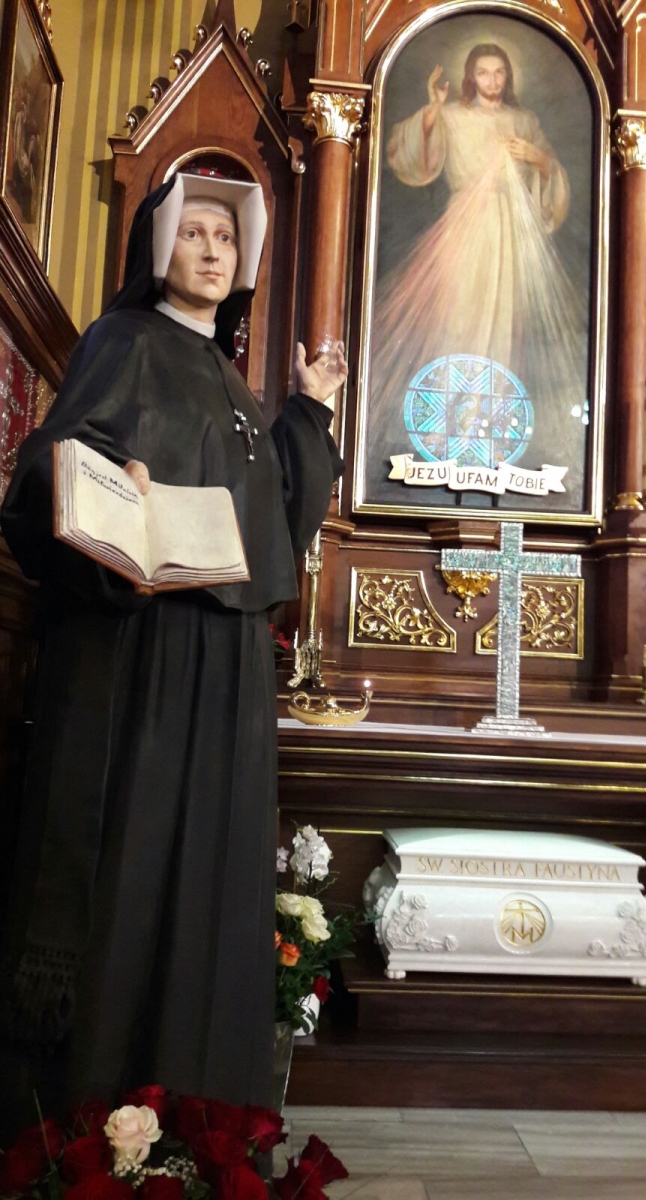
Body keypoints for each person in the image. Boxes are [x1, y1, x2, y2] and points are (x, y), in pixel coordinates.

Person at [0, 170, 345, 1126]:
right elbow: (46, 468)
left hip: (226, 668)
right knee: (137, 866)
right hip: (145, 655)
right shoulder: (123, 342)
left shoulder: (231, 382)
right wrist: (116, 499)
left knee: (208, 883)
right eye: (194, 232)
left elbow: (274, 526)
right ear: (159, 246)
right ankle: (95, 1123)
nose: (211, 250)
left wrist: (307, 410)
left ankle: (196, 1124)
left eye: (226, 239)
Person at [371, 44, 587, 502]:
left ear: (509, 77)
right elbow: (408, 156)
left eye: (499, 72)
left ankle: (490, 436)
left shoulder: (524, 121)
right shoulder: (451, 115)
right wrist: (432, 109)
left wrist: (537, 158)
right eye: (484, 73)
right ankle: (448, 431)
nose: (492, 81)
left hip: (510, 233)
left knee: (505, 327)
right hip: (463, 228)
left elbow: (553, 176)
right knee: (457, 320)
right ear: (471, 76)